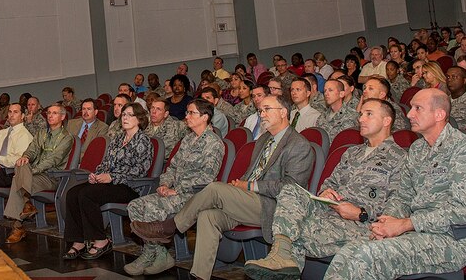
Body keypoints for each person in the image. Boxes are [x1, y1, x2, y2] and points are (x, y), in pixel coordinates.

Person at [130, 94, 314, 280]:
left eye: (267, 109)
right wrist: (240, 185)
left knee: (214, 188)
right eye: (260, 110)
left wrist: (250, 185)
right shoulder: (264, 140)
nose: (262, 114)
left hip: (274, 207)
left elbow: (292, 188)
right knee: (208, 216)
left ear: (283, 112)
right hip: (248, 201)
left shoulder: (298, 144)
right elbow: (252, 173)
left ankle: (171, 227)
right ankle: (200, 276)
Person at [325, 88, 466, 279]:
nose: (409, 114)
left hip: (453, 240)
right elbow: (403, 197)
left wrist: (405, 224)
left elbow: (462, 212)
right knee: (349, 252)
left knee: (368, 255)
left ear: (439, 114)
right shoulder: (418, 149)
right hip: (417, 232)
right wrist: (386, 223)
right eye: (411, 107)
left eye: (418, 108)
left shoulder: (463, 150)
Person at [244, 98, 406, 279]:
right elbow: (330, 182)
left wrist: (361, 213)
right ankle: (281, 255)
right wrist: (325, 192)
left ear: (386, 121)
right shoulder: (352, 152)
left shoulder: (400, 157)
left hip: (362, 224)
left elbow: (398, 204)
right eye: (361, 114)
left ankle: (282, 257)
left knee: (293, 232)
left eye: (368, 114)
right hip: (330, 211)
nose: (360, 119)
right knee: (291, 190)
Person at [123, 99, 224, 276]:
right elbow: (172, 167)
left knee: (153, 209)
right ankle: (157, 253)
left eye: (192, 113)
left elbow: (206, 179)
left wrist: (177, 190)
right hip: (173, 191)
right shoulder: (187, 139)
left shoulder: (214, 143)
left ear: (205, 117)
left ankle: (152, 254)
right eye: (187, 112)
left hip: (194, 196)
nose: (187, 116)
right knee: (135, 206)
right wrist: (164, 184)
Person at [63, 103, 153, 260]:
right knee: (72, 193)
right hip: (110, 183)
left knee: (86, 194)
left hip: (129, 186)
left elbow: (140, 170)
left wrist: (112, 177)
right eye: (123, 114)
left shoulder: (143, 140)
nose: (124, 118)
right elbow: (106, 163)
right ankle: (78, 241)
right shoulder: (118, 139)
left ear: (139, 119)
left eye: (129, 115)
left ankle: (101, 240)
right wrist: (96, 175)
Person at [5, 104, 74, 244]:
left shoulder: (67, 137)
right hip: (35, 174)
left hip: (53, 177)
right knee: (21, 162)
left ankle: (19, 223)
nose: (50, 115)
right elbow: (32, 150)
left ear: (62, 117)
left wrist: (32, 171)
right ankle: (24, 212)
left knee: (17, 180)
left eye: (54, 113)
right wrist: (26, 157)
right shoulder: (41, 133)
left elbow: (53, 160)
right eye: (48, 112)